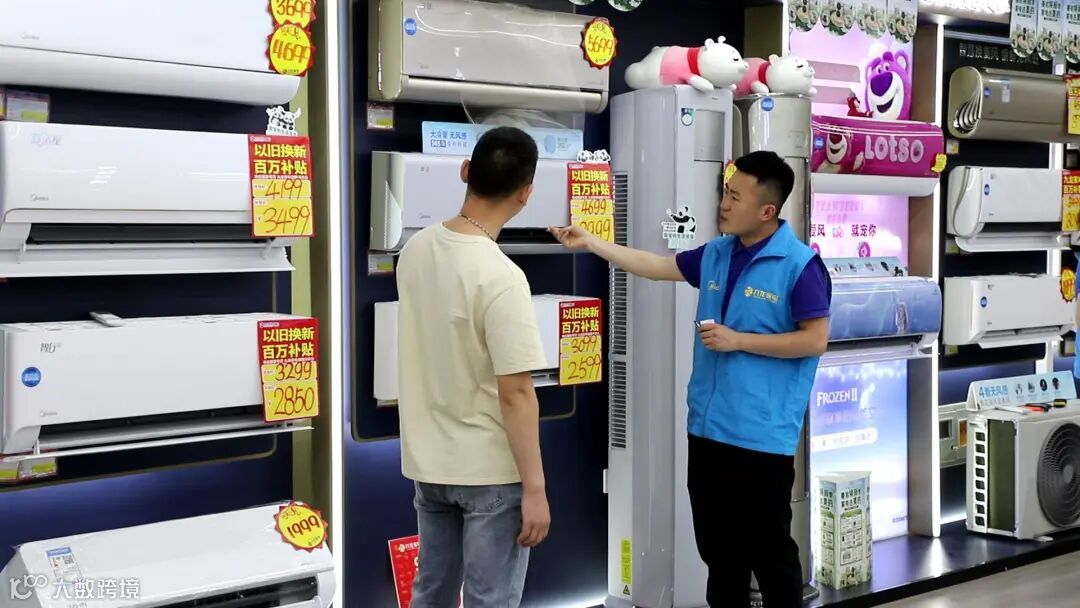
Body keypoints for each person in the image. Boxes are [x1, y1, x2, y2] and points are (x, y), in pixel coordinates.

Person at [551, 150, 832, 608]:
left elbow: (815, 340)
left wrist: (739, 340)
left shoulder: (800, 266)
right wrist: (594, 243)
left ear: (767, 210)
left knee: (770, 555)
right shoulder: (717, 253)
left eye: (735, 196)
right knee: (719, 555)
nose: (724, 203)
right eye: (725, 192)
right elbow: (655, 266)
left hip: (761, 438)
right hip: (706, 430)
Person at [395, 126, 552, 608]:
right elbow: (516, 393)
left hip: (429, 465)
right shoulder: (502, 277)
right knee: (490, 600)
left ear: (465, 171)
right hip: (489, 471)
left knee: (431, 594)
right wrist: (535, 489)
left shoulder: (415, 249)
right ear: (525, 194)